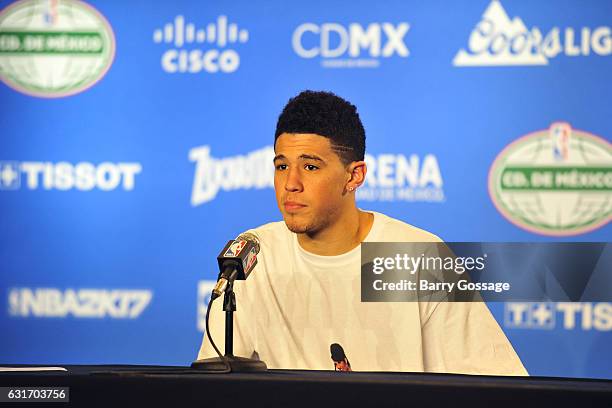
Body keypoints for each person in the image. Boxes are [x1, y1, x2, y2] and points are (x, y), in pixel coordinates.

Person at [198, 90, 527, 375]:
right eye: (282, 165)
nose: (290, 184)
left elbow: (496, 383)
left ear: (354, 177)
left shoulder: (417, 256)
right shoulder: (253, 256)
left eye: (310, 166)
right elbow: (213, 389)